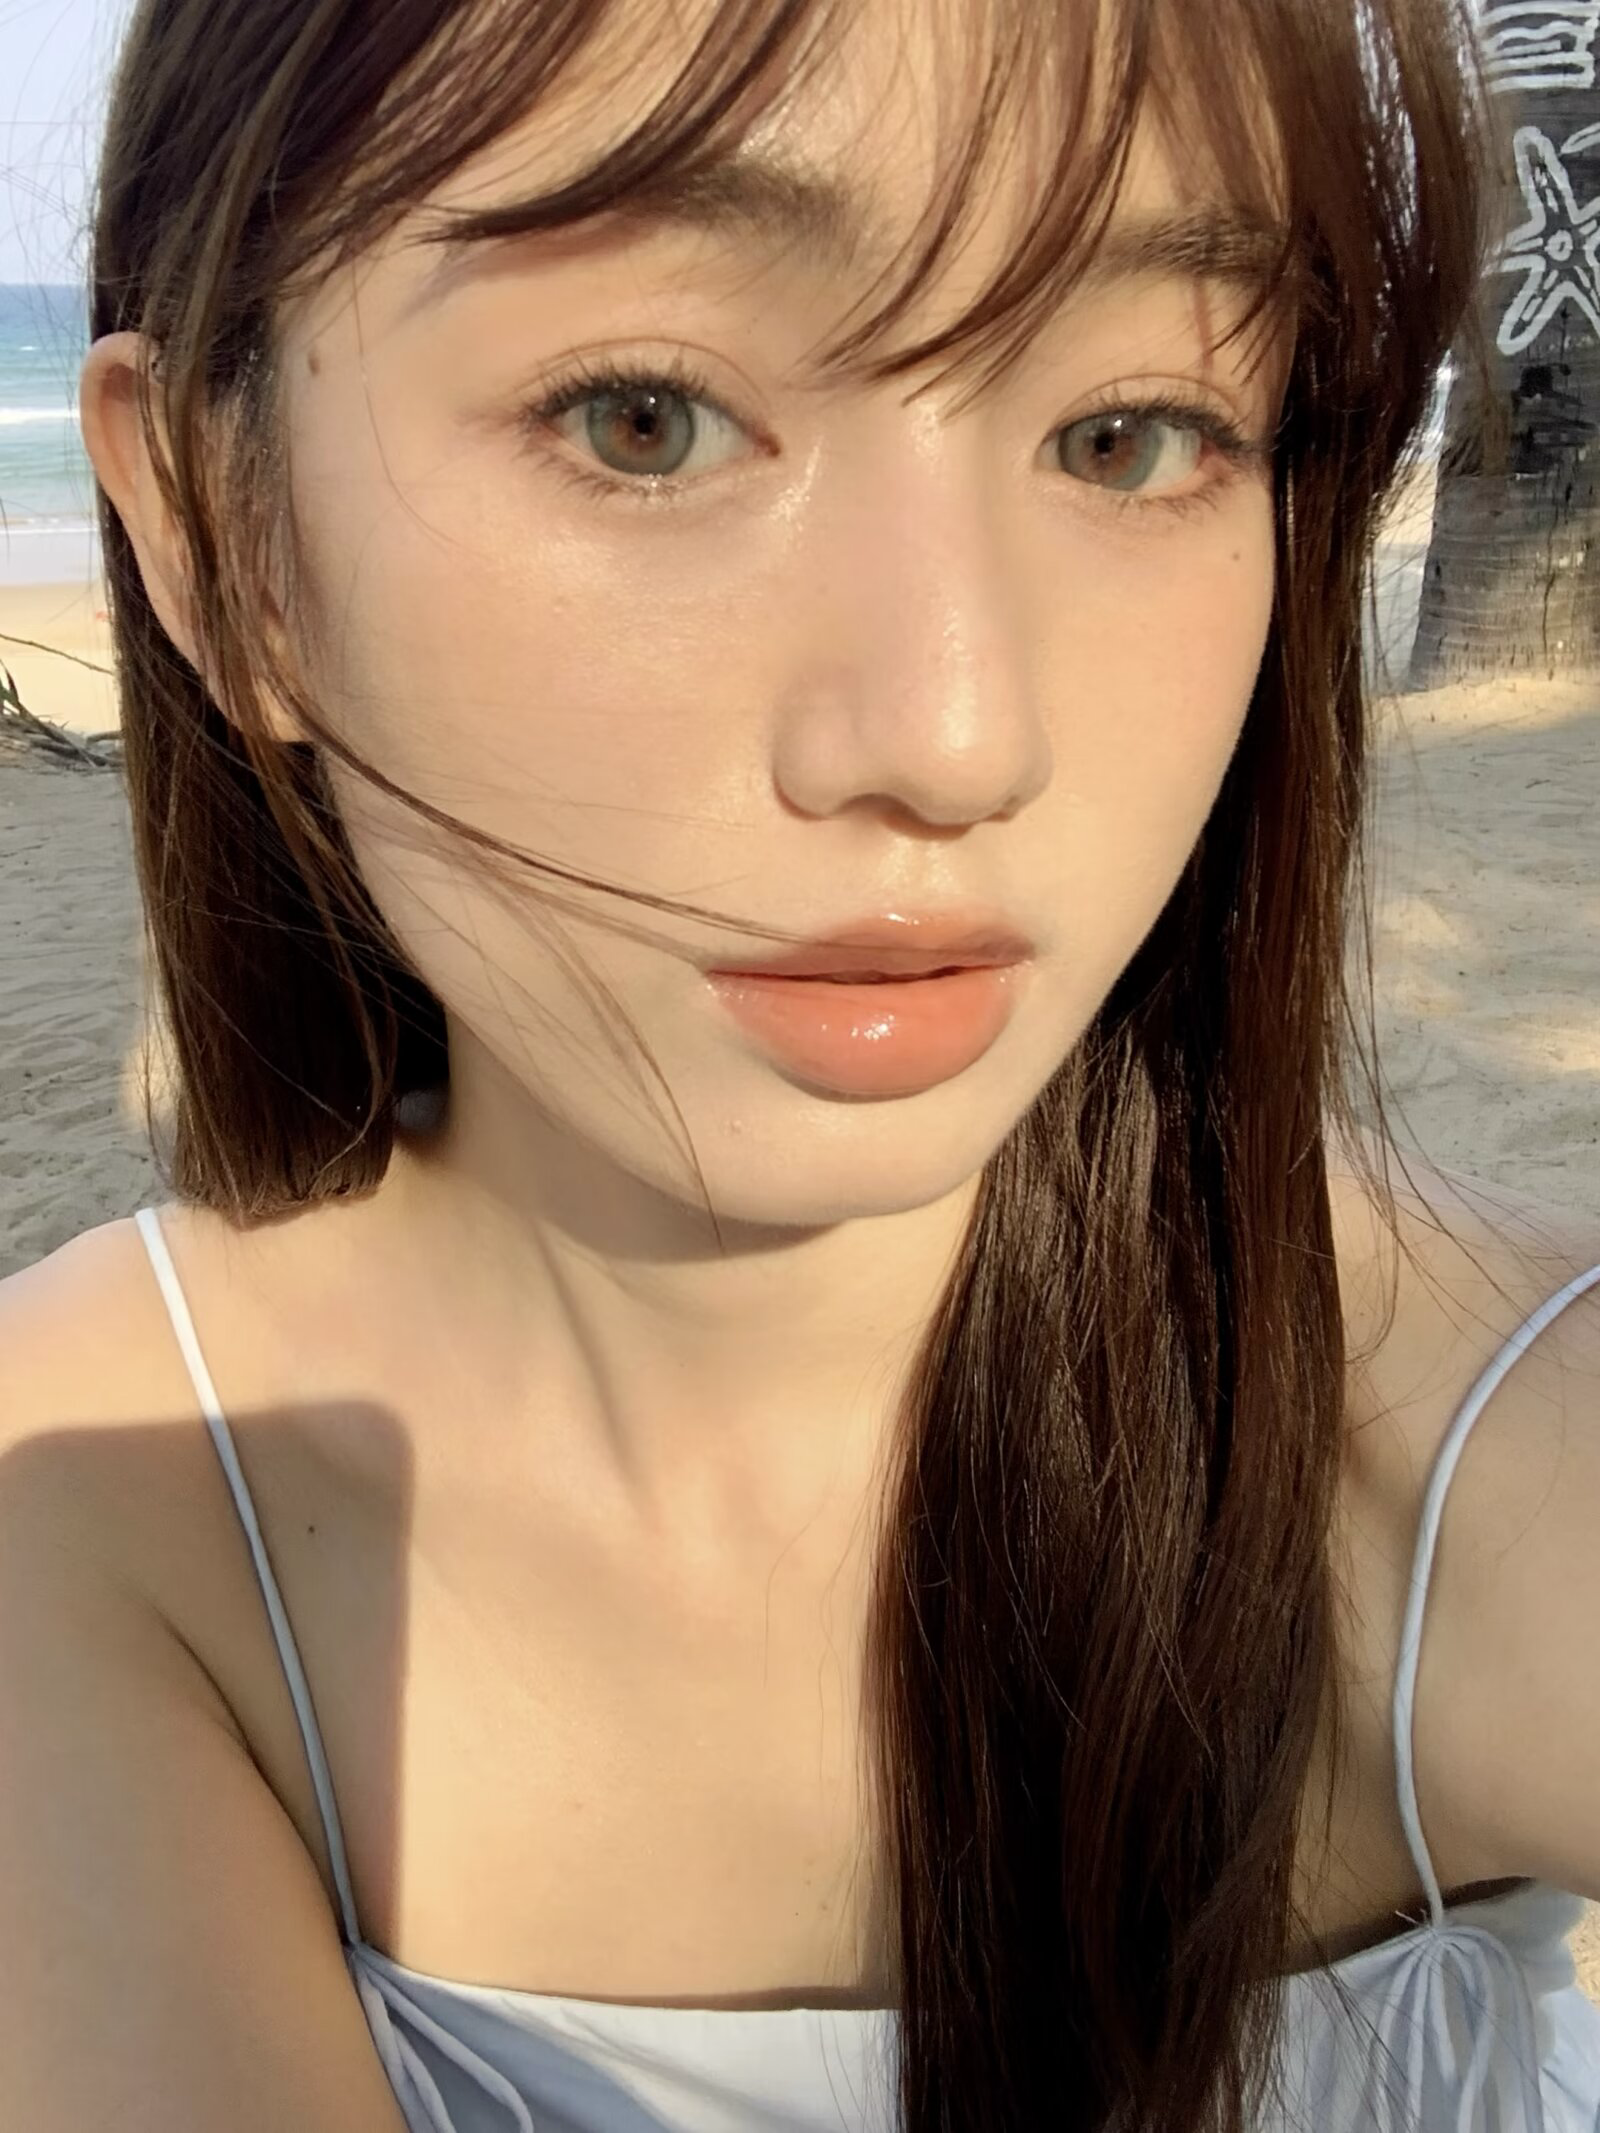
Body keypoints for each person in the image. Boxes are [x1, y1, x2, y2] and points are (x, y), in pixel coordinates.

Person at [1, 0, 1597, 2127]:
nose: (954, 733)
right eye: (646, 419)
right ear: (223, 538)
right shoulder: (93, 1501)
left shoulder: (1467, 1438)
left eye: (1129, 434)